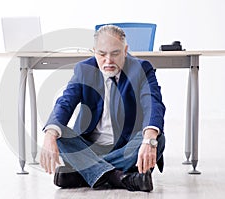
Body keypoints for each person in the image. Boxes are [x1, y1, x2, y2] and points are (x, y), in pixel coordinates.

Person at [40, 25, 166, 192]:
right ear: (94, 51)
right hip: (90, 146)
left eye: (115, 53)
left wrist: (149, 138)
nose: (108, 61)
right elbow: (65, 102)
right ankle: (120, 177)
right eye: (102, 54)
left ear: (125, 50)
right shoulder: (84, 70)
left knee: (158, 138)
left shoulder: (142, 69)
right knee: (57, 133)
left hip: (126, 147)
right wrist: (50, 135)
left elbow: (153, 102)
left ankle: (84, 173)